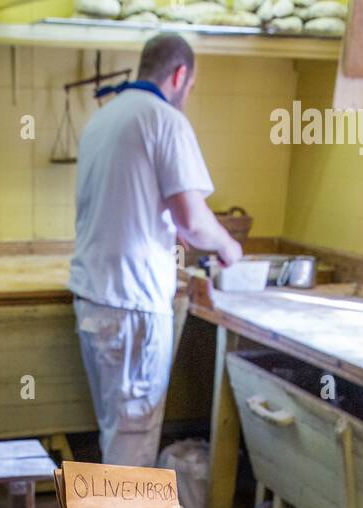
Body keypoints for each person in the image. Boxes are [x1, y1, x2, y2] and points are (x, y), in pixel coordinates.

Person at [69, 34, 243, 468]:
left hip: (94, 298)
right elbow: (194, 220)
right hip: (133, 308)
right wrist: (229, 246)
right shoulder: (165, 120)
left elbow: (132, 203)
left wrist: (167, 229)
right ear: (180, 75)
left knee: (118, 433)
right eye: (192, 86)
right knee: (132, 444)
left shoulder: (103, 120)